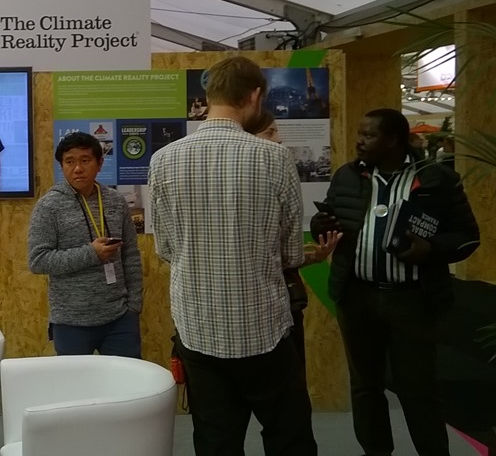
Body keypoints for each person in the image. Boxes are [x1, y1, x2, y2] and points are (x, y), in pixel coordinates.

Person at [148, 56, 317, 455]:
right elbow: (291, 253)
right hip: (264, 328)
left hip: (198, 328)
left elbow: (166, 248)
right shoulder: (275, 158)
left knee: (215, 440)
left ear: (209, 95)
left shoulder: (163, 160)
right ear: (255, 96)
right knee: (288, 437)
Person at [310, 108, 480, 456]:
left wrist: (431, 250)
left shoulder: (436, 180)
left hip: (412, 300)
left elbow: (467, 236)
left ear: (393, 140)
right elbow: (330, 216)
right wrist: (320, 225)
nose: (359, 141)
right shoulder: (347, 176)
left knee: (418, 388)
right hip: (356, 297)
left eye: (369, 135)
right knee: (365, 386)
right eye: (360, 133)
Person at [243, 108, 342, 389]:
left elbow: (282, 256)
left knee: (288, 385)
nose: (279, 139)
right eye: (270, 132)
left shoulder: (274, 182)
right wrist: (303, 256)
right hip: (261, 309)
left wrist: (312, 256)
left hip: (283, 302)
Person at [28, 131, 143, 358]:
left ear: (99, 164)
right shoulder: (48, 206)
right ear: (61, 166)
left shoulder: (115, 201)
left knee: (126, 379)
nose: (78, 168)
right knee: (75, 381)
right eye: (69, 162)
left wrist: (134, 306)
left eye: (85, 160)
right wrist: (91, 254)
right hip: (71, 322)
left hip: (119, 319)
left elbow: (130, 254)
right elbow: (38, 260)